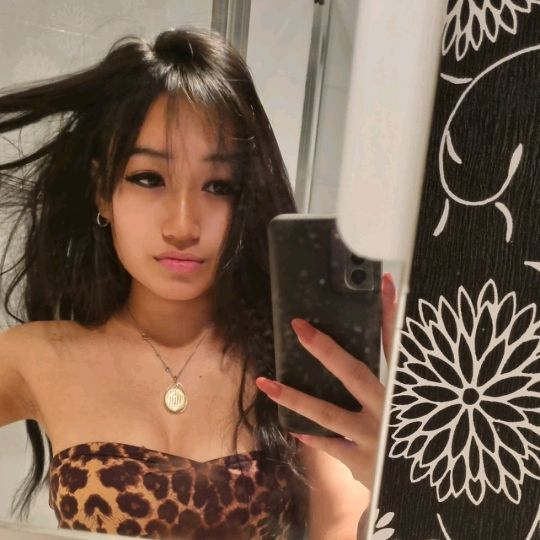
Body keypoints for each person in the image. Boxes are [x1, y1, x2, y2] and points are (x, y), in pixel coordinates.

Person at [0, 27, 396, 539]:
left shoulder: (296, 369)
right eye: (149, 178)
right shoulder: (37, 357)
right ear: (102, 191)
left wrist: (400, 472)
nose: (183, 225)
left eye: (219, 186)